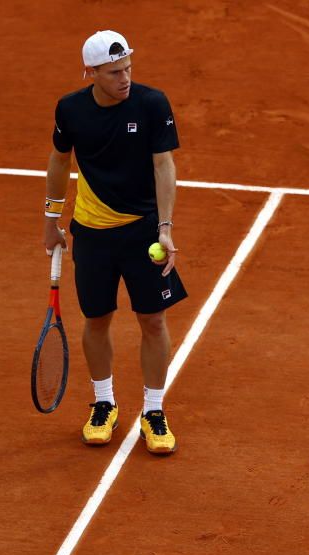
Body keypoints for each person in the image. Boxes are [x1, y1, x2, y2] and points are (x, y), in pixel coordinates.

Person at [42, 30, 186, 455]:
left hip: (142, 231)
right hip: (92, 232)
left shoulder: (151, 103)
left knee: (153, 321)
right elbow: (58, 159)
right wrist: (52, 219)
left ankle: (154, 410)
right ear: (91, 73)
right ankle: (103, 402)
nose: (124, 78)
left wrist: (165, 227)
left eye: (128, 68)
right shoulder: (71, 110)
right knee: (97, 319)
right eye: (113, 72)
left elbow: (164, 165)